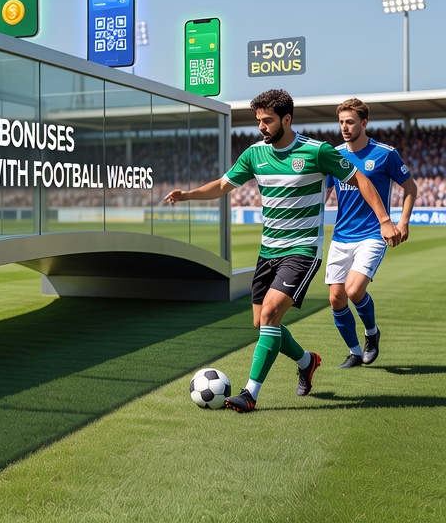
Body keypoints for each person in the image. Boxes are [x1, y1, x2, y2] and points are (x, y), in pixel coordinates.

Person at [163, 89, 401, 413]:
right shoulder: (253, 155)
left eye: (267, 120)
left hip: (303, 250)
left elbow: (360, 178)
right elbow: (222, 186)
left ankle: (250, 394)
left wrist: (385, 220)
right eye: (258, 120)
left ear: (286, 120)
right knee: (262, 325)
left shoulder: (318, 151)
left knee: (273, 313)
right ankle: (306, 361)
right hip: (268, 251)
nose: (261, 126)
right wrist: (187, 195)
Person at [326, 98, 417, 368]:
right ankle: (355, 352)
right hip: (341, 235)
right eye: (341, 122)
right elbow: (325, 192)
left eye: (350, 122)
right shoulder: (335, 155)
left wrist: (403, 222)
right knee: (335, 297)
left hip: (373, 234)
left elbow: (410, 188)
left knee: (354, 291)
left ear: (364, 123)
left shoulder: (385, 154)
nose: (345, 127)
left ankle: (371, 333)